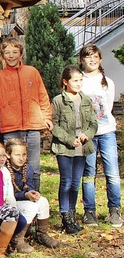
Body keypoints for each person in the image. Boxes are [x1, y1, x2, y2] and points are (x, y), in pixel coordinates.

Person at [0, 37, 52, 191]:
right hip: (11, 129)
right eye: (7, 52)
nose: (11, 56)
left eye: (14, 52)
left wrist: (46, 117)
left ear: (20, 54)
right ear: (3, 55)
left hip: (32, 128)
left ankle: (34, 202)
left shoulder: (32, 72)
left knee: (34, 169)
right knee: (11, 169)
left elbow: (42, 95)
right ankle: (15, 203)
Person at [79, 44, 122, 228]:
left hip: (106, 132)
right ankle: (89, 212)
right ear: (82, 60)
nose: (92, 60)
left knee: (112, 172)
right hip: (87, 135)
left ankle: (115, 210)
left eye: (95, 57)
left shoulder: (108, 81)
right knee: (89, 172)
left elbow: (108, 107)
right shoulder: (79, 80)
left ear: (100, 59)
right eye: (88, 57)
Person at [51, 65, 97, 235]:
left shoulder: (85, 100)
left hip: (82, 147)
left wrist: (87, 134)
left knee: (76, 182)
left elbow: (93, 123)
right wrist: (70, 139)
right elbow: (53, 125)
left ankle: (72, 214)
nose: (79, 84)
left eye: (80, 80)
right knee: (66, 182)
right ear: (65, 81)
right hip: (65, 147)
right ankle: (65, 216)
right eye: (75, 80)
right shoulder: (58, 100)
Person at [4, 139, 59, 248]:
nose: (21, 158)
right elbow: (8, 195)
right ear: (8, 155)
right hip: (10, 203)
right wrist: (25, 195)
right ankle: (17, 239)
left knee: (43, 201)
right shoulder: (5, 170)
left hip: (24, 198)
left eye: (24, 154)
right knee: (30, 207)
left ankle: (41, 233)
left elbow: (30, 185)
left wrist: (32, 193)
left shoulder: (27, 168)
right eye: (17, 155)